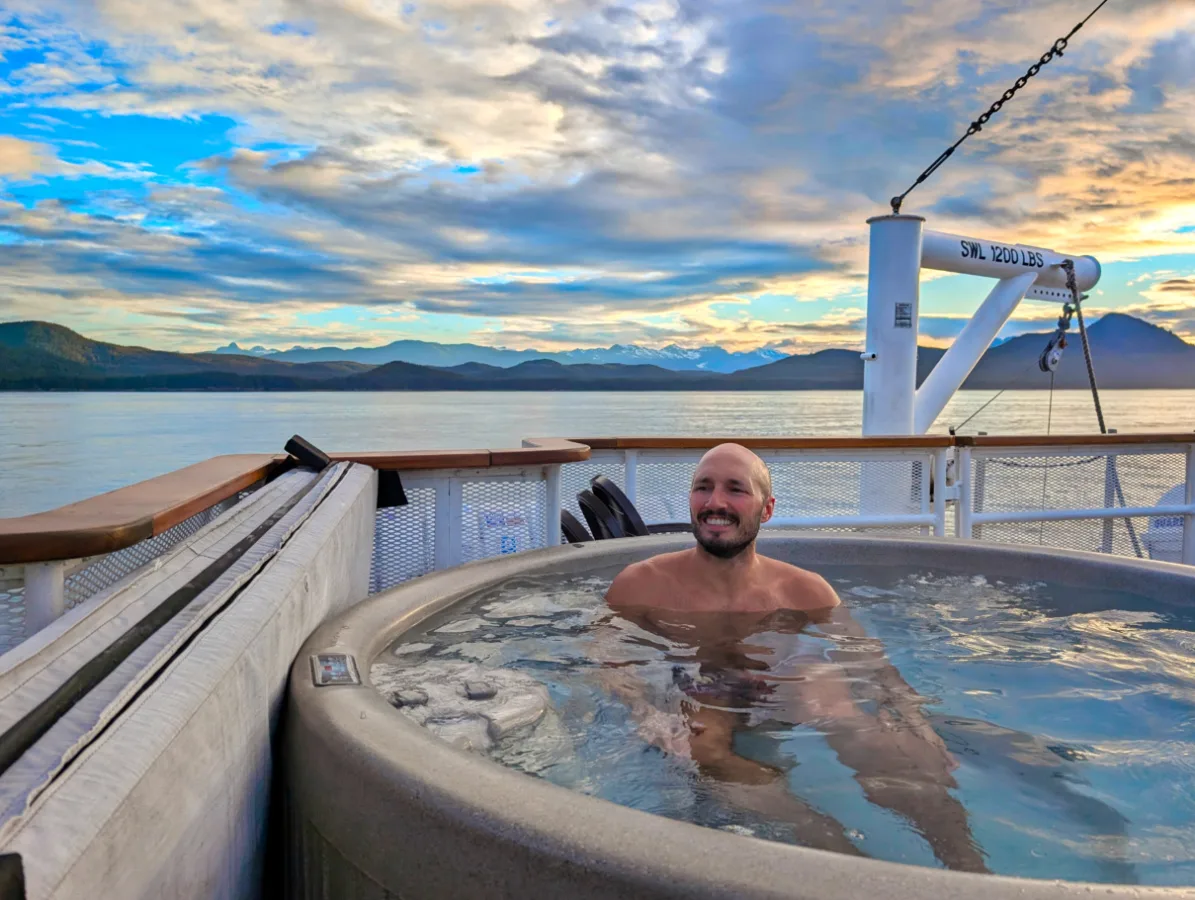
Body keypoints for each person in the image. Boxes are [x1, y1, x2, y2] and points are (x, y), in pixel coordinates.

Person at [598, 443, 988, 872]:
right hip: (699, 685)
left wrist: (913, 714)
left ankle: (969, 872)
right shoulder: (641, 585)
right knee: (698, 743)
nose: (715, 503)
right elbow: (605, 657)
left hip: (781, 686)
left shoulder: (805, 590)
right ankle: (833, 852)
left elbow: (868, 660)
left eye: (735, 490)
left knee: (870, 730)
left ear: (767, 510)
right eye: (702, 488)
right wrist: (644, 710)